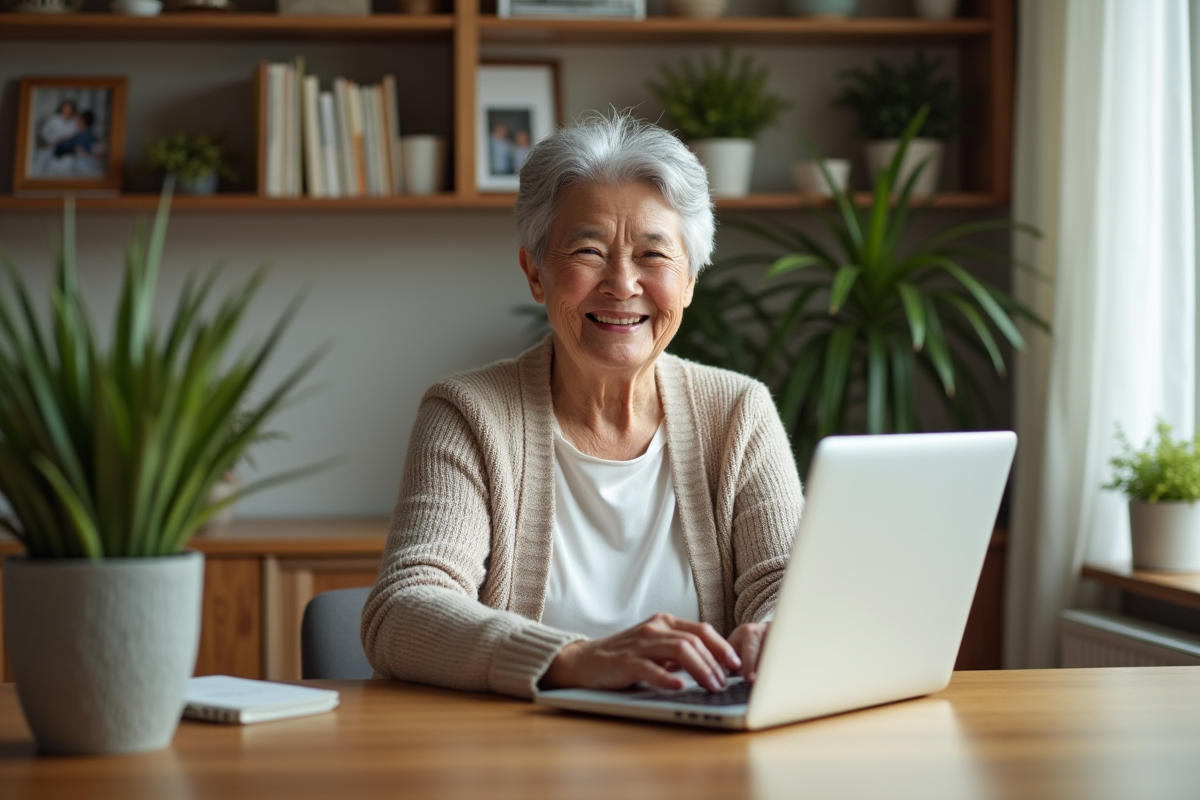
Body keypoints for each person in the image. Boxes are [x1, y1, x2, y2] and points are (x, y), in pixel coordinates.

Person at [362, 111, 804, 700]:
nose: (622, 284)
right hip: (521, 760)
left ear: (691, 280)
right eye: (589, 251)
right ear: (536, 273)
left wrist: (775, 636)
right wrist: (572, 659)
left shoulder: (739, 413)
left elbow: (786, 583)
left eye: (653, 255)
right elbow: (404, 609)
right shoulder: (469, 413)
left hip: (695, 756)